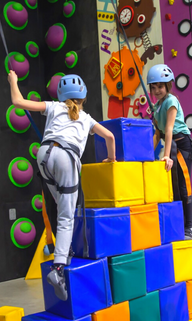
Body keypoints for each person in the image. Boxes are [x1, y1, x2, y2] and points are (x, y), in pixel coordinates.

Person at [8, 71, 116, 301]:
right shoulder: (86, 118)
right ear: (83, 97)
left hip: (44, 154)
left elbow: (17, 102)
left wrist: (13, 81)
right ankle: (58, 269)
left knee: (60, 204)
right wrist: (111, 159)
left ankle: (64, 251)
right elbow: (110, 138)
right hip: (66, 158)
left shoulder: (54, 106)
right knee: (67, 216)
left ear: (61, 94)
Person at [148, 64, 192, 240]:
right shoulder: (157, 107)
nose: (157, 90)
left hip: (181, 145)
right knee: (172, 190)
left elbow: (169, 129)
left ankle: (188, 228)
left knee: (183, 186)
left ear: (168, 85)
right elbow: (158, 133)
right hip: (171, 145)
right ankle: (182, 222)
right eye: (153, 87)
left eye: (160, 86)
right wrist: (145, 154)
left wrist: (166, 155)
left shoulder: (171, 101)